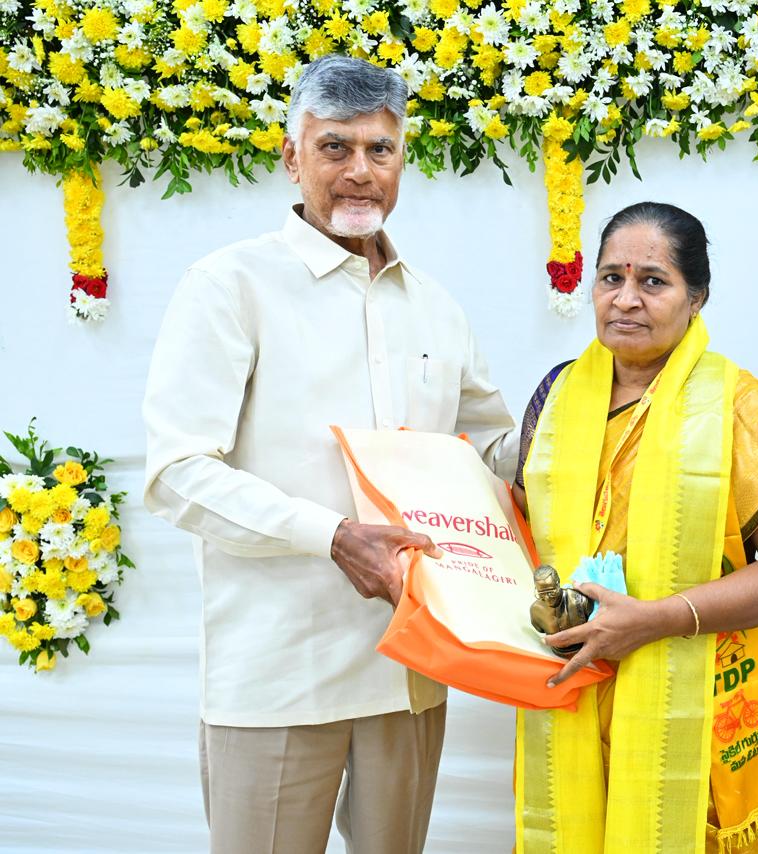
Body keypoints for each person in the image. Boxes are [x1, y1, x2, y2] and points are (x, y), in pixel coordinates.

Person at [142, 55, 516, 854]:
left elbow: (493, 452)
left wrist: (602, 401)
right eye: (335, 147)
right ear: (292, 157)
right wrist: (333, 536)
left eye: (380, 149)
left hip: (412, 668)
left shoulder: (436, 306)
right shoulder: (229, 285)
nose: (360, 171)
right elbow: (178, 473)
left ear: (402, 160)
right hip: (279, 673)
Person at [509, 202, 758, 853]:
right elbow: (521, 530)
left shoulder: (736, 407)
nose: (626, 299)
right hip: (574, 694)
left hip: (698, 705)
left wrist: (657, 619)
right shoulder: (555, 398)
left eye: (653, 281)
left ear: (697, 297)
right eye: (611, 278)